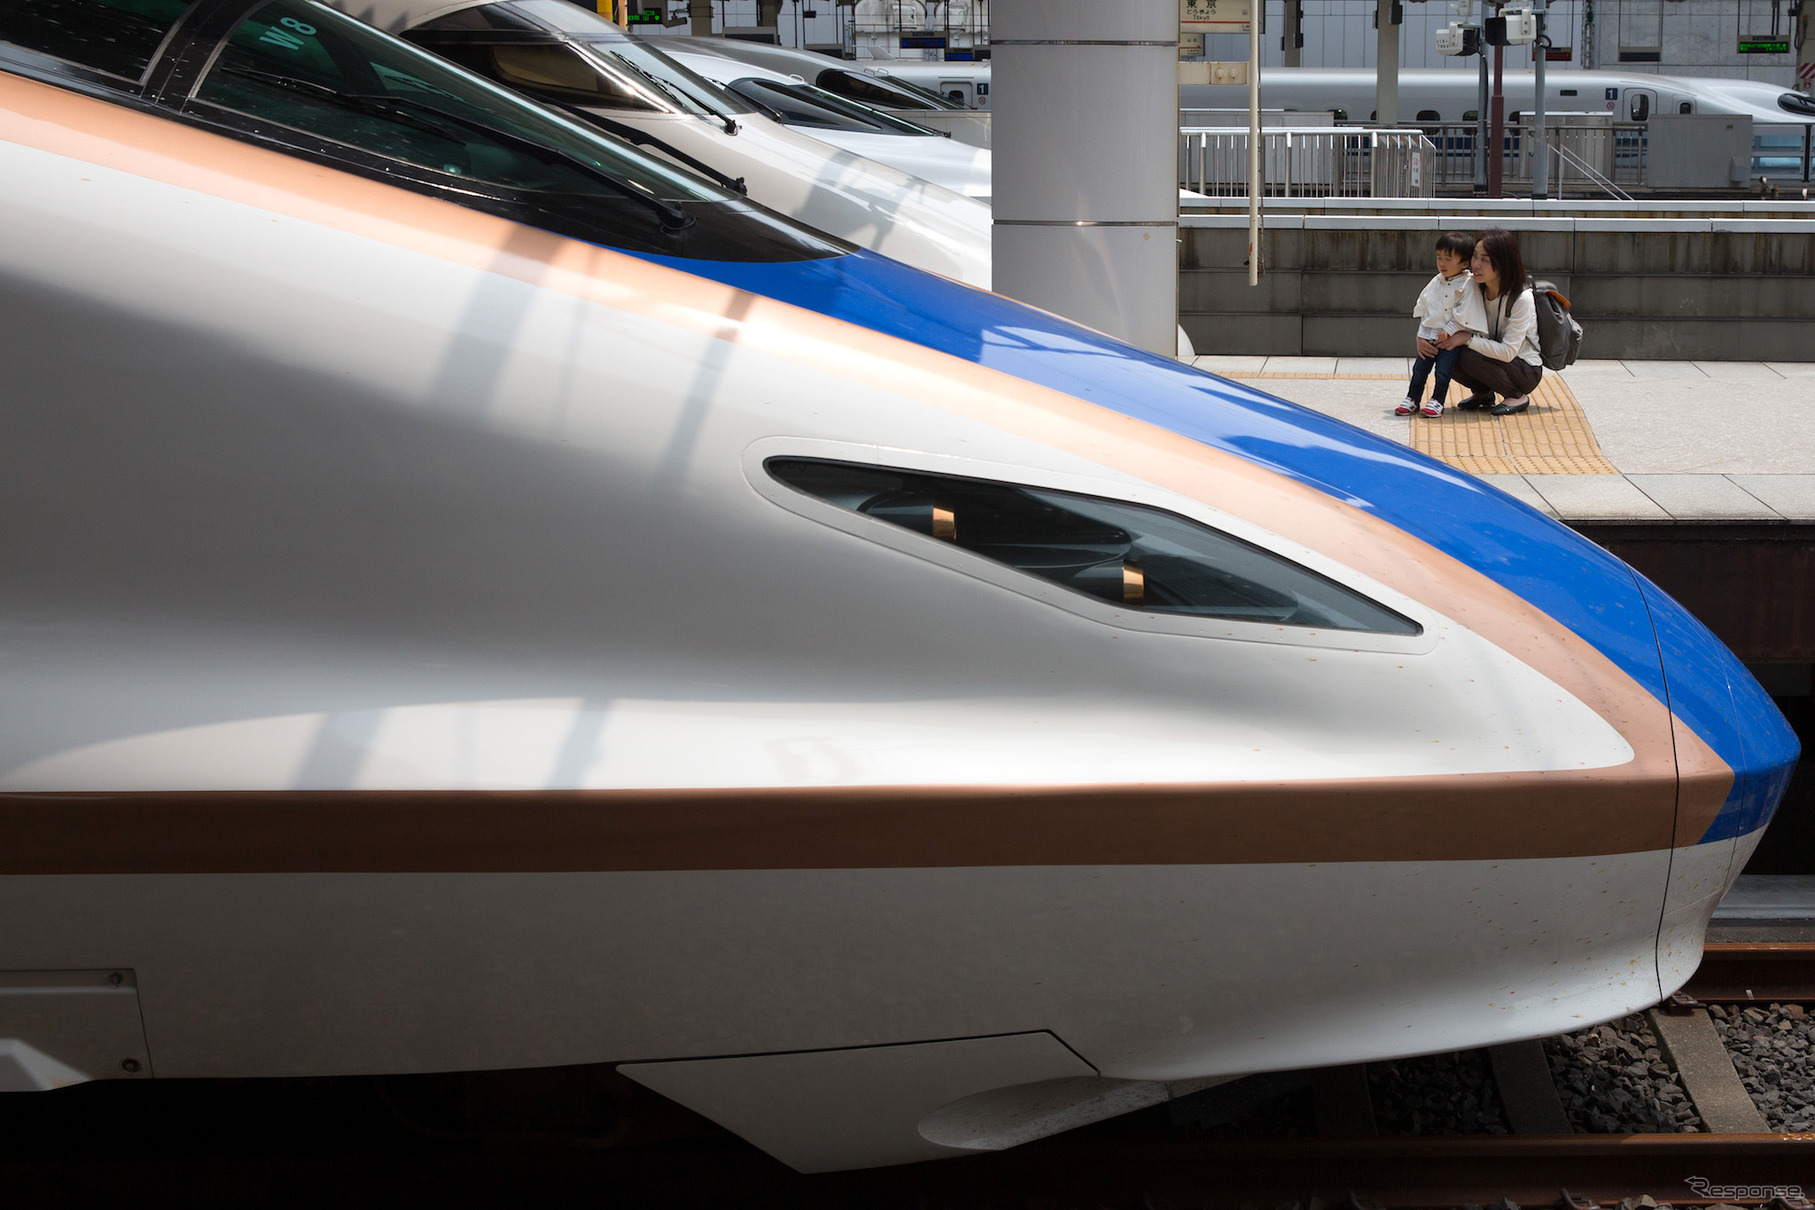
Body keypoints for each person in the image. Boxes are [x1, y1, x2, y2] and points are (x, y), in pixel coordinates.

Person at [1421, 228, 1545, 416]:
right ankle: (1484, 393)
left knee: (1465, 353)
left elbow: (1508, 352)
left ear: (1503, 263)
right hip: (1492, 359)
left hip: (1524, 369)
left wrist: (1467, 339)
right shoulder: (1472, 287)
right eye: (1475, 257)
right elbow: (1437, 308)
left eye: (1485, 260)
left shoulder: (1521, 299)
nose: (1476, 265)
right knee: (1446, 348)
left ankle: (1516, 395)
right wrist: (1422, 337)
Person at [1396, 232, 1487, 418]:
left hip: (1450, 340)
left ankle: (1437, 400)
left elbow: (1466, 312)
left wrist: (1448, 331)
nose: (1442, 263)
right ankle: (1412, 398)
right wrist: (1421, 335)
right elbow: (1426, 308)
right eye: (1439, 258)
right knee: (1419, 369)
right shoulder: (1436, 281)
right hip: (1430, 336)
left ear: (1463, 263)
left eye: (1448, 259)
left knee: (1443, 371)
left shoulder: (1469, 284)